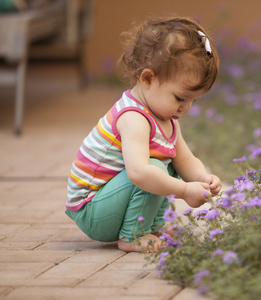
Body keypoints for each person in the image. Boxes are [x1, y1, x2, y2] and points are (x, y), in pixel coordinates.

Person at [65, 16, 221, 253]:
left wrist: (201, 179)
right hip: (91, 209)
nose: (185, 108)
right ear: (148, 78)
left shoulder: (165, 117)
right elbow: (138, 173)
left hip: (111, 201)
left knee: (167, 165)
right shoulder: (133, 118)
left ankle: (153, 227)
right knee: (153, 169)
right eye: (180, 98)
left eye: (192, 100)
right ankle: (133, 236)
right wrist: (184, 191)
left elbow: (185, 160)